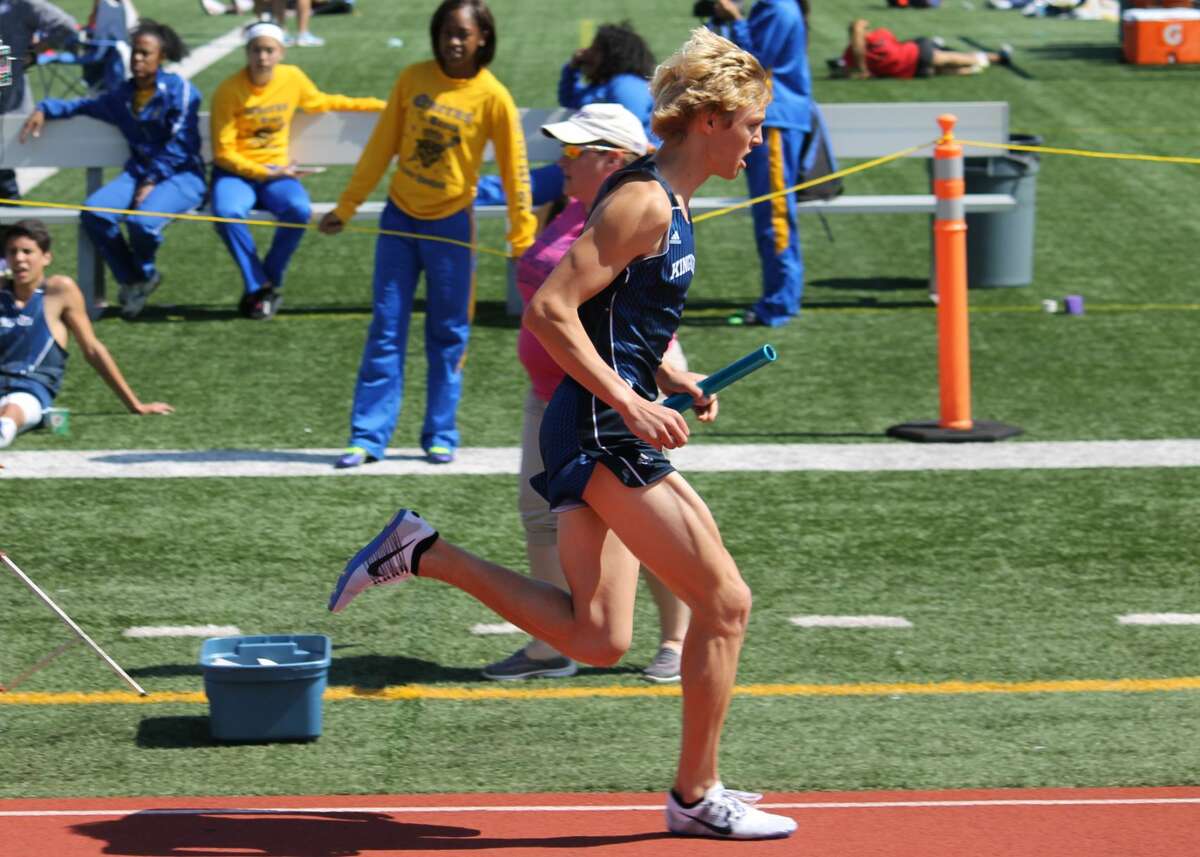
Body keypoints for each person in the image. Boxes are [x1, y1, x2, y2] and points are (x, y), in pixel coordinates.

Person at [327, 28, 798, 841]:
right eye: (753, 123)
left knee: (598, 636)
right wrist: (634, 401)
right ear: (714, 118)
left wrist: (672, 378)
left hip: (601, 425)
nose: (759, 140)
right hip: (603, 434)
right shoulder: (643, 199)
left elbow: (623, 321)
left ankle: (423, 550)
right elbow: (551, 309)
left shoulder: (675, 203)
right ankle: (696, 792)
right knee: (725, 604)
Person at [483, 103, 690, 684]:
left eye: (573, 153)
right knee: (541, 517)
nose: (562, 164)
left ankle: (676, 639)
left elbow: (649, 313)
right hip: (550, 396)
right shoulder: (573, 208)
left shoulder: (630, 217)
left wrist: (670, 375)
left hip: (608, 404)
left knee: (645, 524)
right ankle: (553, 644)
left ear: (613, 160)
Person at [319, 0, 535, 468]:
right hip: (398, 219)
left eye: (463, 33)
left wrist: (521, 237)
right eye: (445, 32)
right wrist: (347, 206)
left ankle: (440, 432)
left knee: (448, 332)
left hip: (453, 226)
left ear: (483, 39)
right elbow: (381, 146)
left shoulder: (493, 96)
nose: (453, 42)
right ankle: (367, 437)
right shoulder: (412, 78)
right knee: (386, 327)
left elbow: (515, 170)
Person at [20, 20, 205, 320]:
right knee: (94, 213)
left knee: (142, 224)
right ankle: (138, 279)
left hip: (182, 176)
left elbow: (180, 145)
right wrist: (45, 108)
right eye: (135, 52)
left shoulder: (181, 91)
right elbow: (82, 105)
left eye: (145, 53)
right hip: (139, 173)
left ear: (162, 57)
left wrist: (151, 180)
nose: (137, 59)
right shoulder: (121, 95)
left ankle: (139, 277)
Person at [210, 17, 384, 319]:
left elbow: (323, 102)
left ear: (281, 53)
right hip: (237, 174)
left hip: (278, 172)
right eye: (255, 50)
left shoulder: (292, 78)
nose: (262, 57)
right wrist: (265, 172)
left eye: (268, 50)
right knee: (226, 213)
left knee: (298, 210)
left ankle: (268, 279)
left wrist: (379, 105)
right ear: (247, 53)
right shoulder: (228, 90)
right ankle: (259, 284)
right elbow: (223, 152)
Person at [0, 220, 173, 449]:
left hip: (30, 390)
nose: (20, 258)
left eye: (27, 251)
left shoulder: (59, 291)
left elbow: (92, 349)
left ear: (46, 257)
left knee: (10, 412)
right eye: (13, 252)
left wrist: (135, 404)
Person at [476, 20, 658, 209]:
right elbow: (569, 98)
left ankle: (465, 193)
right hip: (586, 162)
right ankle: (466, 192)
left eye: (595, 49)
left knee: (524, 186)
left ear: (612, 55)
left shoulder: (625, 85)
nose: (587, 53)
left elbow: (628, 134)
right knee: (524, 185)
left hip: (606, 166)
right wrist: (572, 68)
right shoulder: (603, 86)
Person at [708, 0, 812, 328]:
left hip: (777, 121)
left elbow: (753, 65)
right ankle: (778, 297)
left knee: (775, 215)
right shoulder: (775, 7)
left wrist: (736, 19)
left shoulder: (778, 8)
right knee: (771, 215)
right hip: (773, 119)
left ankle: (780, 302)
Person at [0, 0, 79, 204]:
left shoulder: (20, 4)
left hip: (6, 107)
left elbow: (67, 27)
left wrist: (34, 52)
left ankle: (14, 231)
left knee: (5, 189)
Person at [834, 19, 1013, 79]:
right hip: (916, 56)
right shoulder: (878, 36)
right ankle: (992, 59)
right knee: (952, 59)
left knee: (949, 64)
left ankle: (983, 63)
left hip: (912, 67)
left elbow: (849, 70)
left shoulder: (852, 53)